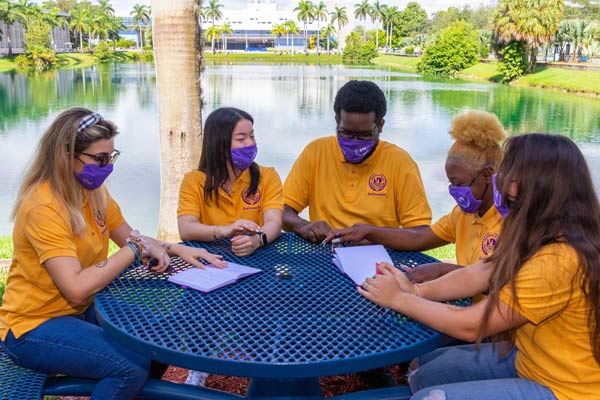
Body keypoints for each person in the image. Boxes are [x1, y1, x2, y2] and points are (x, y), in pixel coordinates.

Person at [0, 108, 226, 400]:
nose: (108, 167)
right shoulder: (44, 207)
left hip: (80, 313)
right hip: (32, 327)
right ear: (65, 155)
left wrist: (176, 248)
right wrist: (134, 251)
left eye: (111, 156)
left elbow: (129, 236)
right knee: (129, 366)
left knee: (158, 343)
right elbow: (77, 288)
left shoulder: (93, 192)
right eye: (100, 159)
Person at [359, 133, 600, 400]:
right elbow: (481, 272)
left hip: (566, 390)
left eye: (509, 173)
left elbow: (471, 326)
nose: (502, 181)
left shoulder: (558, 262)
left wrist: (398, 299)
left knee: (427, 398)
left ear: (536, 186)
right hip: (530, 360)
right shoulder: (535, 233)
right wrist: (417, 292)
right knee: (428, 369)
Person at [325, 110, 506, 285]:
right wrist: (369, 231)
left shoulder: (511, 221)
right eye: (450, 183)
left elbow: (500, 281)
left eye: (459, 184)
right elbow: (419, 237)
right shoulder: (462, 215)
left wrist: (443, 270)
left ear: (486, 175)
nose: (454, 191)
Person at [283, 80, 432, 244]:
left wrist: (371, 235)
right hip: (324, 254)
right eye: (346, 133)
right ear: (336, 121)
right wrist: (303, 226)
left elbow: (421, 233)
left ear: (380, 126)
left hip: (380, 260)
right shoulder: (316, 152)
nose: (355, 141)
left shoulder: (400, 163)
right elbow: (281, 210)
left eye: (364, 135)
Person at [177, 107, 283, 257]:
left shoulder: (268, 176)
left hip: (259, 259)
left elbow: (274, 222)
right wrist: (224, 231)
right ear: (219, 144)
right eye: (241, 139)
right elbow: (186, 229)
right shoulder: (194, 181)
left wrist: (255, 241)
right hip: (210, 261)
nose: (250, 144)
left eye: (252, 136)